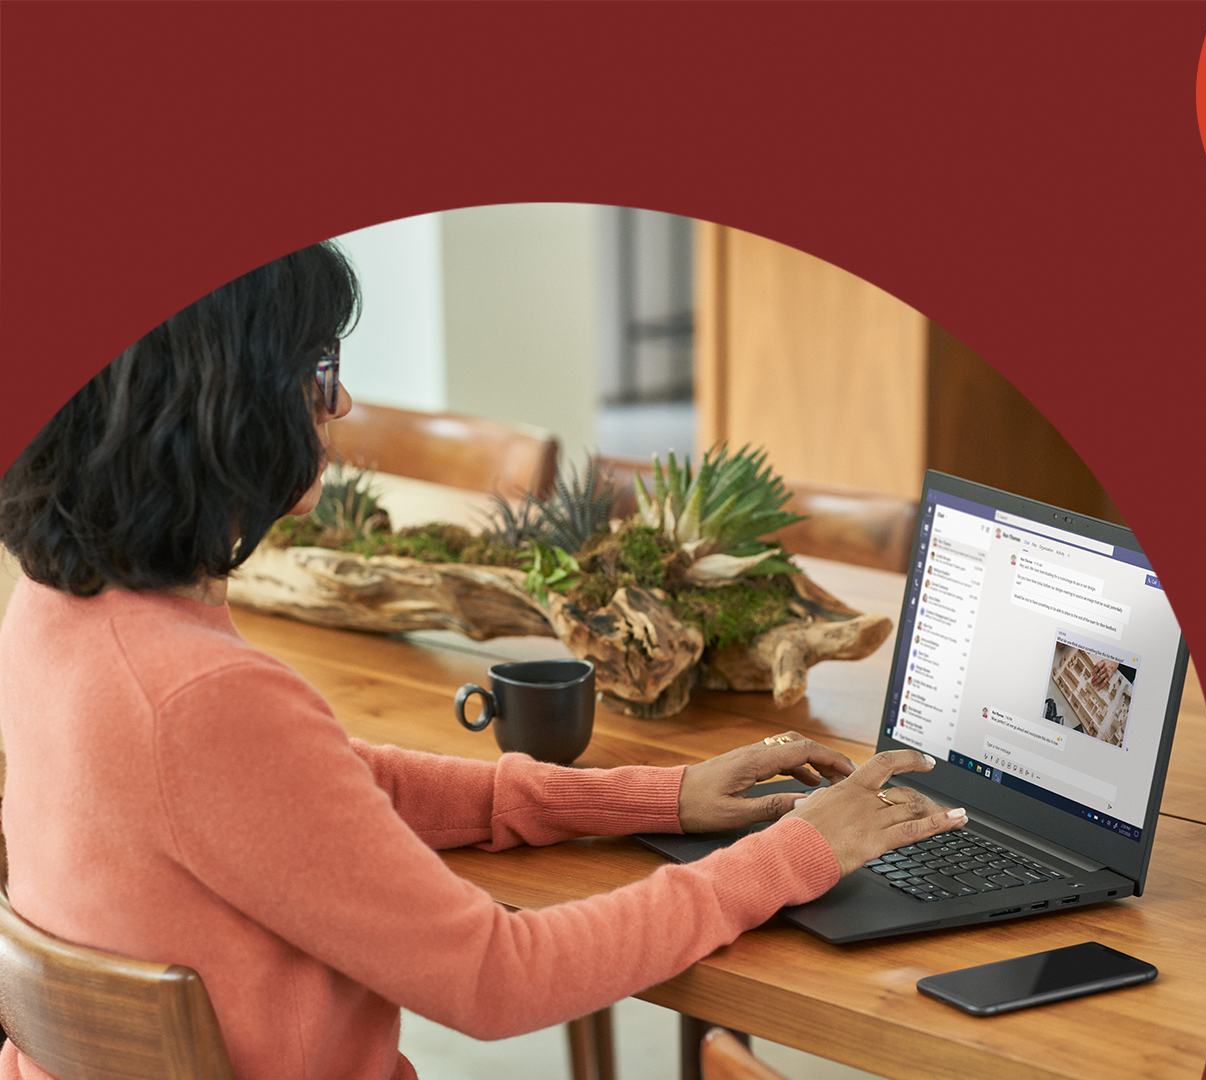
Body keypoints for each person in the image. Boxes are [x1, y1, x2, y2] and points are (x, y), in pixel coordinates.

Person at [0, 242, 965, 1080]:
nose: (342, 403)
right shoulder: (202, 697)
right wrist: (794, 855)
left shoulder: (55, 608)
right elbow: (497, 979)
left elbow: (327, 792)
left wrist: (656, 798)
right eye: (319, 371)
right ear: (223, 407)